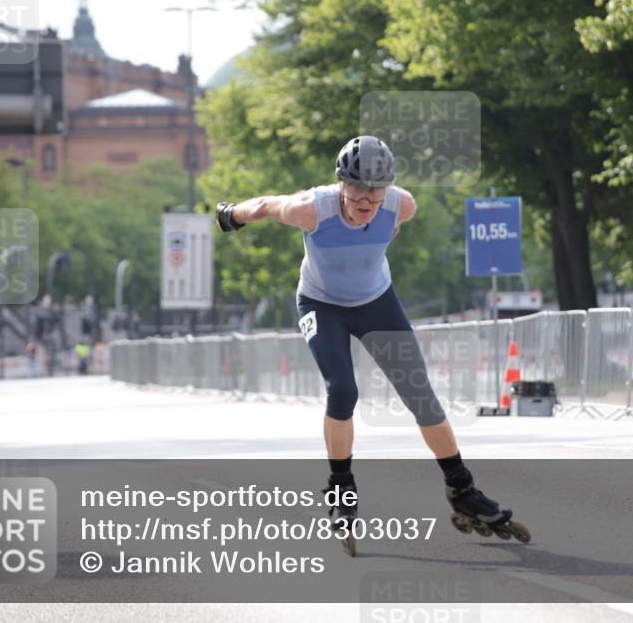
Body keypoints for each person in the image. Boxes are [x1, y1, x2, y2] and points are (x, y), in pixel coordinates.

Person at [215, 135, 527, 552]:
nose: (366, 201)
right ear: (341, 184)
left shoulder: (403, 205)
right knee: (342, 389)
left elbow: (386, 232)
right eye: (358, 190)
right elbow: (267, 206)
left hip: (377, 301)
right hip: (321, 305)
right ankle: (341, 489)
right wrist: (231, 214)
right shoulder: (311, 209)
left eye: (375, 192)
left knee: (420, 394)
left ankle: (462, 489)